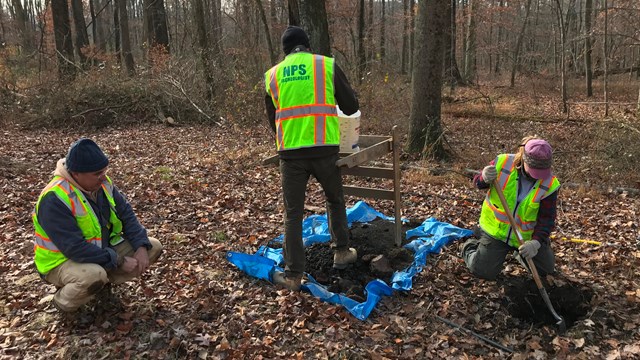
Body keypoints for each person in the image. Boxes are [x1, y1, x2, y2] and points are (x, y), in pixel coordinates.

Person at [264, 26, 360, 291]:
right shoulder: (325, 65)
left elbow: (273, 118)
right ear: (307, 45)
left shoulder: (273, 75)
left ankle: (293, 275)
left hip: (291, 153)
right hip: (324, 150)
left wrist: (290, 139)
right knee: (334, 199)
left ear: (285, 50)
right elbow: (351, 107)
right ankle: (341, 251)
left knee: (293, 214)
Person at [32, 138, 163, 312]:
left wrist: (140, 245)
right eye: (97, 174)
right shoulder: (55, 198)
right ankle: (61, 302)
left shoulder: (103, 184)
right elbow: (74, 248)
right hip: (60, 261)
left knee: (152, 247)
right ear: (76, 173)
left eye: (104, 171)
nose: (103, 177)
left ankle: (102, 286)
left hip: (99, 251)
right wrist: (118, 260)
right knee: (93, 276)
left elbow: (127, 215)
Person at [461, 136, 561, 280]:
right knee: (482, 271)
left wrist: (536, 242)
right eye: (534, 170)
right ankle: (470, 245)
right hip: (497, 233)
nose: (538, 176)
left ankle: (519, 253)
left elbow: (547, 220)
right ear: (524, 159)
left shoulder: (550, 185)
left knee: (546, 270)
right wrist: (483, 177)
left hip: (525, 239)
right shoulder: (503, 163)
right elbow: (478, 183)